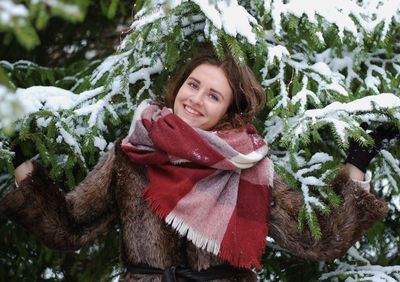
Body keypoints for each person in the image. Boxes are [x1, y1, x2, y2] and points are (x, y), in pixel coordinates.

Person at [0, 51, 396, 281]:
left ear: (230, 110)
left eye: (213, 96)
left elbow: (317, 239)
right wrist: (17, 155)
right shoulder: (130, 155)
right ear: (178, 86)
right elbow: (68, 226)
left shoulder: (248, 167)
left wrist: (358, 159)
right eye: (193, 85)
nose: (195, 99)